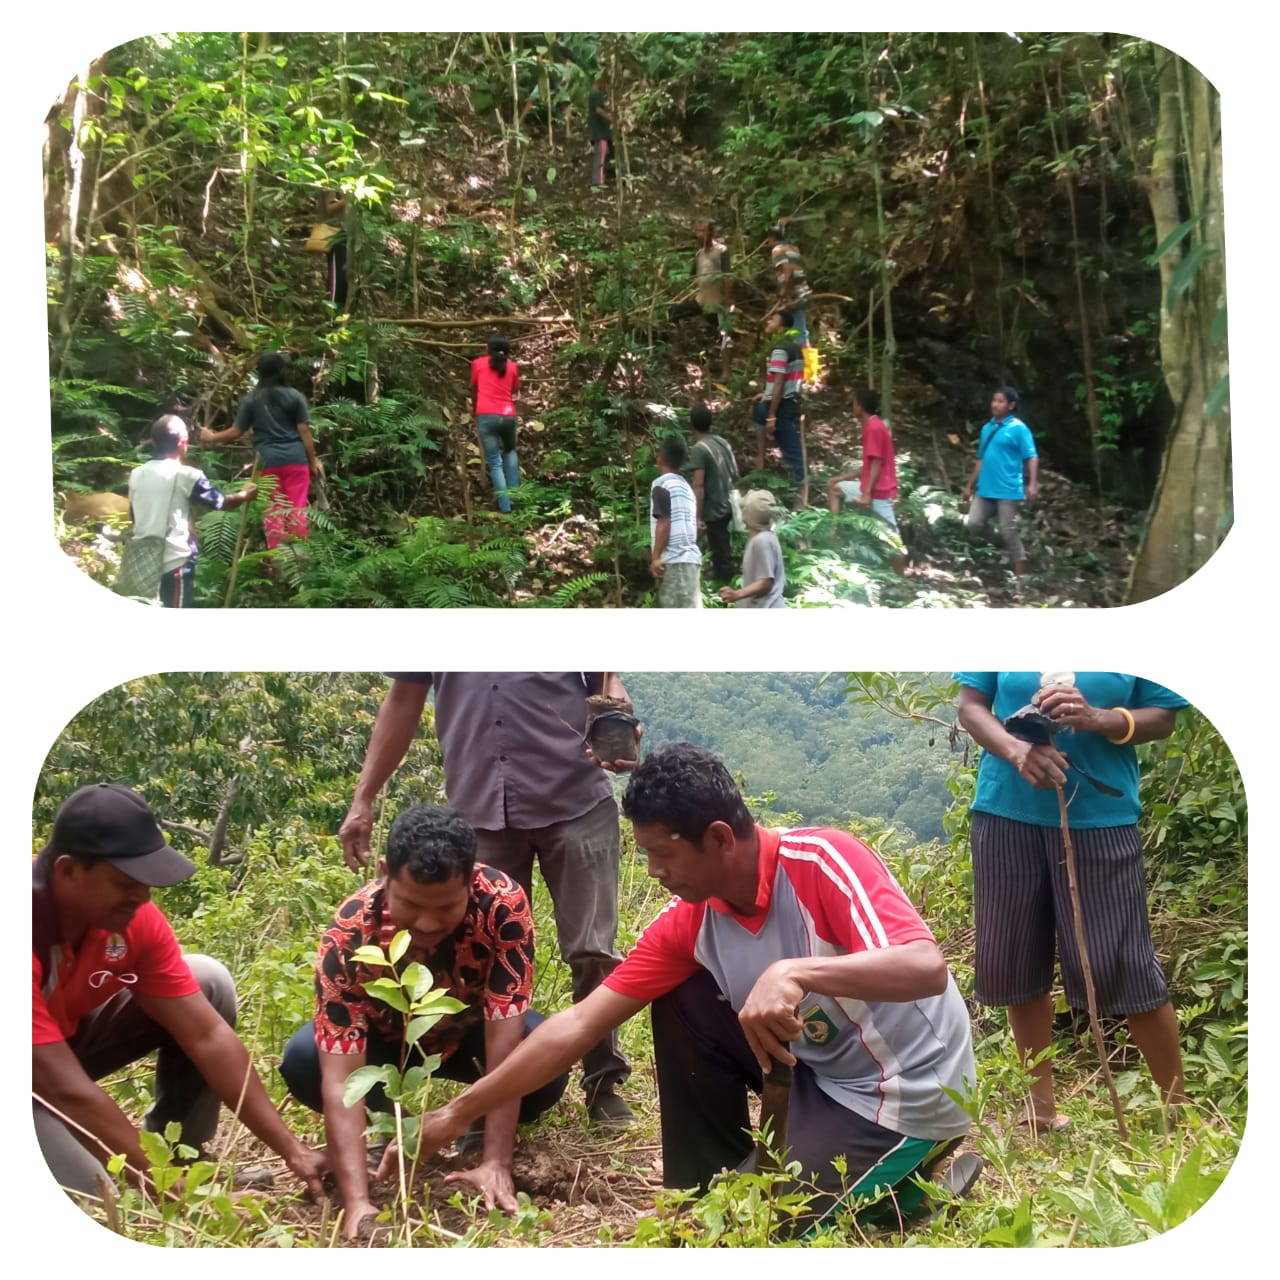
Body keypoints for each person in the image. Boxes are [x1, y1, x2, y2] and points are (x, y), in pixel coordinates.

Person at [390, 744, 976, 1225]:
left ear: (720, 838)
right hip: (820, 1071)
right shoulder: (692, 918)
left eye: (661, 854)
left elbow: (925, 966)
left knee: (760, 1226)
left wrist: (795, 970)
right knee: (681, 998)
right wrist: (452, 1113)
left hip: (906, 1089)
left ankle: (911, 1191)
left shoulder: (822, 863)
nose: (653, 871)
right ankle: (704, 1182)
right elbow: (578, 1025)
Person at [338, 674, 639, 1130]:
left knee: (592, 950)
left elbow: (605, 675)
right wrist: (363, 798)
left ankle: (604, 1082)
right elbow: (404, 699)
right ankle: (485, 1093)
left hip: (575, 799)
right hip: (480, 806)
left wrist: (616, 714)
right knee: (474, 956)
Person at [280, 804, 569, 1239]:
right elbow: (341, 1079)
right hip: (388, 1042)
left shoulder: (501, 906)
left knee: (540, 1064)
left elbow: (505, 1041)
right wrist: (358, 1205)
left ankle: (478, 1128)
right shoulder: (349, 934)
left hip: (469, 1035)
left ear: (471, 881)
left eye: (447, 907)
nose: (428, 923)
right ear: (385, 873)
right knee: (304, 1061)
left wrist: (496, 1163)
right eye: (412, 905)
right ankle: (385, 1123)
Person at [32, 783, 328, 1204]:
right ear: (67, 871)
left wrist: (294, 1151)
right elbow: (64, 1089)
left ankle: (182, 1156)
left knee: (207, 981)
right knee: (102, 1196)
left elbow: (206, 1037)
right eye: (124, 883)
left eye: (146, 882)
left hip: (56, 1054)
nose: (143, 896)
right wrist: (181, 1196)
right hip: (34, 1074)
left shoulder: (132, 917)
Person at [954, 672, 1190, 1132]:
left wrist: (1097, 718)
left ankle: (1178, 1111)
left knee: (1122, 963)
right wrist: (1016, 750)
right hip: (1006, 814)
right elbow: (971, 706)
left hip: (1102, 820)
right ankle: (1039, 1112)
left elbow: (1162, 717)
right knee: (1018, 960)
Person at [122, 415, 257, 607]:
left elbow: (134, 516)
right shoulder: (187, 475)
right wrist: (244, 495)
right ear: (183, 442)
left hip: (142, 562)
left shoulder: (137, 474)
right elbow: (220, 502)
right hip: (175, 562)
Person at [200, 352, 322, 551]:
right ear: (281, 371)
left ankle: (279, 561)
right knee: (296, 509)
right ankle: (300, 563)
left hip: (266, 463)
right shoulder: (294, 396)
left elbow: (236, 431)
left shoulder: (251, 399)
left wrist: (211, 437)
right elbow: (304, 430)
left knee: (273, 511)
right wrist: (312, 461)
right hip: (296, 461)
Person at [961, 386, 1038, 577]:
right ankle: (1000, 543)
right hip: (986, 488)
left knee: (1009, 530)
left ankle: (1021, 576)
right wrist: (970, 486)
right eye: (994, 400)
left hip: (1008, 489)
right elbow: (981, 458)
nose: (995, 404)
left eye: (1000, 401)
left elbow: (1031, 456)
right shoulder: (987, 428)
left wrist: (1033, 484)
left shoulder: (1019, 428)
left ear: (1011, 405)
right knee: (973, 524)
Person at [751, 310, 808, 507]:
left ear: (781, 327)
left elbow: (780, 383)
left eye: (772, 319)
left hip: (782, 406)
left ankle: (802, 496)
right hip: (783, 401)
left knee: (793, 451)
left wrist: (772, 415)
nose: (768, 320)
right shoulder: (794, 347)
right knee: (758, 411)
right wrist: (765, 396)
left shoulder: (781, 349)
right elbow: (783, 381)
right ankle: (761, 463)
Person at [828, 389, 899, 532]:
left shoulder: (873, 427)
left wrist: (866, 494)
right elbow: (870, 465)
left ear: (860, 406)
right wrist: (844, 477)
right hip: (872, 488)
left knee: (893, 543)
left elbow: (877, 462)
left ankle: (833, 534)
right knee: (834, 488)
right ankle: (832, 534)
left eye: (854, 403)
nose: (852, 407)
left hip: (878, 491)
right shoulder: (875, 424)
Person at [670, 222, 734, 378]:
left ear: (712, 232)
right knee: (673, 313)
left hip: (717, 302)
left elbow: (728, 277)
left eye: (703, 231)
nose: (699, 234)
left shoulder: (721, 251)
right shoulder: (699, 254)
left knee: (726, 334)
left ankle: (726, 371)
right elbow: (691, 277)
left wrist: (727, 300)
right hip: (701, 301)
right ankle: (676, 353)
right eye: (697, 230)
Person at [684, 403, 738, 584]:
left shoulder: (699, 449)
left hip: (715, 510)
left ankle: (727, 593)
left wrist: (697, 518)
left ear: (691, 425)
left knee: (721, 556)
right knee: (724, 550)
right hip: (730, 505)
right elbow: (735, 473)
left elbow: (698, 485)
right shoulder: (723, 442)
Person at [470, 335, 521, 514]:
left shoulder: (477, 364)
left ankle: (505, 507)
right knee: (510, 451)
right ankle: (517, 498)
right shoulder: (513, 367)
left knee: (495, 462)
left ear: (488, 349)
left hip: (485, 416)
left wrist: (473, 409)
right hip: (508, 417)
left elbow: (474, 389)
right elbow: (513, 388)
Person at [650, 435, 703, 608]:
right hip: (691, 561)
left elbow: (664, 521)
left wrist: (656, 557)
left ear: (660, 459)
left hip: (674, 561)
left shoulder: (662, 484)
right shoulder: (686, 487)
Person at [720, 489, 786, 608]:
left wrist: (736, 594)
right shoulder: (767, 536)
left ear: (749, 515)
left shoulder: (762, 541)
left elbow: (766, 582)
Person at [765, 224, 813, 346]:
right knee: (798, 327)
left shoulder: (777, 250)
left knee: (798, 330)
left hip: (793, 293)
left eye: (768, 238)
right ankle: (800, 356)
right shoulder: (793, 248)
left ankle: (803, 359)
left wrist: (788, 297)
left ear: (772, 238)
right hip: (802, 290)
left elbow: (788, 272)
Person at [587, 75, 620, 188]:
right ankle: (598, 182)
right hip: (599, 131)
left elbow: (603, 107)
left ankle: (617, 177)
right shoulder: (596, 93)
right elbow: (598, 110)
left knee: (610, 153)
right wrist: (612, 119)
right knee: (601, 155)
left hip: (603, 131)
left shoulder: (597, 94)